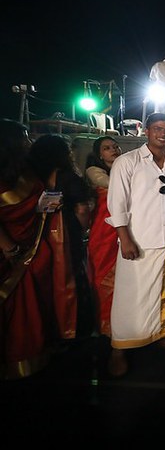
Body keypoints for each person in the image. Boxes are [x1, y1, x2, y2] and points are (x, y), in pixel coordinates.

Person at [106, 112, 165, 376]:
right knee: (129, 297)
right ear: (146, 131)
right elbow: (116, 203)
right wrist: (125, 237)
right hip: (138, 241)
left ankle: (159, 334)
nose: (163, 134)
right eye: (157, 129)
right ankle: (119, 348)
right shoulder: (127, 162)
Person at [0, 119, 55, 379]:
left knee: (28, 310)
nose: (28, 141)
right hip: (9, 252)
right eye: (22, 136)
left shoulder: (26, 169)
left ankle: (27, 358)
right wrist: (9, 247)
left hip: (31, 245)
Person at [29, 134, 94, 340]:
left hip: (36, 234)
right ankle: (75, 329)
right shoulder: (68, 177)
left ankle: (50, 329)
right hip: (66, 233)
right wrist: (84, 230)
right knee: (72, 276)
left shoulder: (29, 176)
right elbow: (82, 209)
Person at [85, 136, 122, 336]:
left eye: (115, 146)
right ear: (99, 154)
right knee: (103, 278)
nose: (113, 150)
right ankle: (104, 325)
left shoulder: (124, 169)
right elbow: (115, 186)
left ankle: (121, 323)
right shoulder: (94, 172)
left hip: (121, 231)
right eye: (107, 148)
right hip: (103, 232)